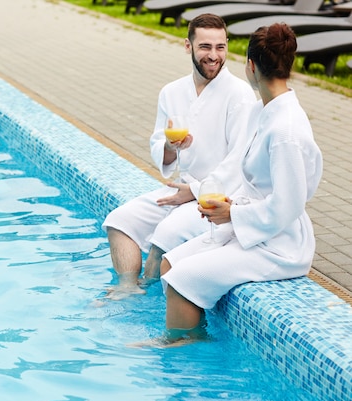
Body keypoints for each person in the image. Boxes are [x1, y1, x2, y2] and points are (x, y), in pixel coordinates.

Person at [153, 22, 323, 344]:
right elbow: (242, 172)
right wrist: (219, 201)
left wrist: (234, 215)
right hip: (254, 225)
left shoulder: (286, 129)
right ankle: (194, 336)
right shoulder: (264, 111)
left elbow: (288, 205)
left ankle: (181, 352)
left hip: (281, 244)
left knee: (180, 281)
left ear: (251, 66)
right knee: (169, 262)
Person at [102, 13, 256, 299]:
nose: (213, 56)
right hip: (181, 188)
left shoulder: (240, 95)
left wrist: (196, 192)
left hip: (217, 198)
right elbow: (159, 146)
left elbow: (239, 162)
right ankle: (126, 288)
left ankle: (146, 297)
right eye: (205, 47)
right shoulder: (171, 92)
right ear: (188, 46)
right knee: (119, 220)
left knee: (166, 233)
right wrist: (172, 148)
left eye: (220, 47)